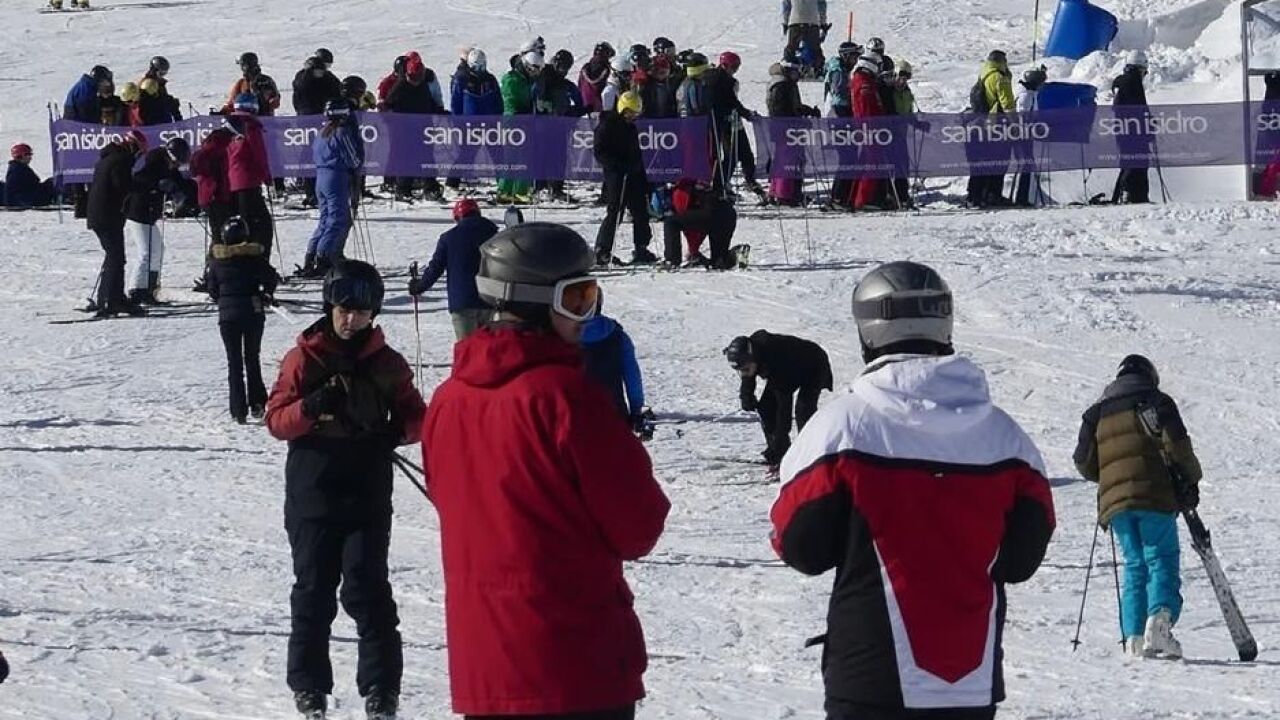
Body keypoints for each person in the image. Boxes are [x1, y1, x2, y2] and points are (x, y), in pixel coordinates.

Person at [770, 261, 1055, 720]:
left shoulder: (843, 427)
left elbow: (799, 546)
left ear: (868, 331)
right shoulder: (1007, 438)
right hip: (968, 682)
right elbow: (1022, 559)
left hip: (870, 677)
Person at [420, 221, 669, 720]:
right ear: (535, 303)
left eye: (590, 297)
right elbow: (638, 526)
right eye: (576, 299)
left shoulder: (447, 401)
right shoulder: (565, 398)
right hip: (575, 665)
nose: (586, 317)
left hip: (485, 669)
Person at [265, 259, 426, 720]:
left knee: (367, 589)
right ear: (330, 305)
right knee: (314, 590)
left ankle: (381, 689)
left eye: (360, 311)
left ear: (374, 313)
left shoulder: (387, 364)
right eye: (343, 308)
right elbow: (276, 421)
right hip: (313, 490)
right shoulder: (305, 358)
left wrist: (394, 432)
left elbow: (418, 416)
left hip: (367, 492)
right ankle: (310, 685)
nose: (350, 318)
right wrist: (312, 407)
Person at [1073, 354, 1201, 659]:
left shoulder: (1096, 414)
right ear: (1150, 376)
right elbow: (1178, 445)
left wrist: (1112, 480)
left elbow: (1082, 461)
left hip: (1116, 504)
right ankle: (1159, 624)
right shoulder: (1157, 401)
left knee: (1134, 565)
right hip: (1153, 495)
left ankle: (1132, 637)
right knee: (1161, 558)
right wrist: (1191, 479)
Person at [205, 216, 278, 423]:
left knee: (234, 362)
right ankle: (257, 403)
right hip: (253, 312)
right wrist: (266, 293)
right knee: (252, 358)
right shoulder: (254, 259)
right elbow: (271, 278)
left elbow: (212, 289)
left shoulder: (217, 262)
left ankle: (238, 410)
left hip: (228, 316)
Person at [724, 330, 832, 469]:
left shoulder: (775, 356)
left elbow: (783, 410)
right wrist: (746, 396)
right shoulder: (751, 355)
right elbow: (748, 376)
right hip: (789, 370)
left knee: (803, 411)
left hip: (813, 365)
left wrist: (781, 442)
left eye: (745, 369)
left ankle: (809, 456)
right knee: (765, 409)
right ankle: (779, 453)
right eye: (740, 370)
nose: (743, 373)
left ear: (752, 358)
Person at [407, 198, 499, 340]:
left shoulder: (449, 238)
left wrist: (419, 286)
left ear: (457, 217)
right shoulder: (495, 235)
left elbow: (436, 268)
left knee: (466, 351)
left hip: (462, 301)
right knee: (487, 351)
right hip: (490, 298)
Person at [86, 130, 148, 317]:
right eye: (139, 152)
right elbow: (121, 185)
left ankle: (111, 297)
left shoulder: (108, 158)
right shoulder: (121, 160)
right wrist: (142, 186)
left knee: (114, 257)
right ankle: (111, 301)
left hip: (100, 215)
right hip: (107, 216)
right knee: (116, 257)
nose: (138, 157)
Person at [593, 91, 658, 266]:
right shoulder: (607, 125)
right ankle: (602, 250)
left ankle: (641, 247)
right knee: (616, 211)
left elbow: (637, 154)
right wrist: (617, 166)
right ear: (622, 109)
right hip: (616, 175)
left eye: (635, 113)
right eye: (630, 112)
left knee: (640, 211)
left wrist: (644, 177)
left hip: (634, 174)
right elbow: (599, 151)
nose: (632, 116)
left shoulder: (631, 128)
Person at [301, 100, 364, 278]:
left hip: (321, 177)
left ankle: (312, 254)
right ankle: (324, 256)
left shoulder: (322, 132)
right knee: (338, 218)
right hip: (336, 176)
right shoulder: (341, 132)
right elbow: (352, 157)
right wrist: (357, 167)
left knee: (326, 218)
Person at [124, 137, 188, 305]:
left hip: (151, 214)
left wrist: (183, 194)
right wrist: (157, 185)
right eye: (176, 162)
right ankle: (136, 289)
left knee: (157, 250)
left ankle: (150, 288)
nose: (176, 166)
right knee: (146, 251)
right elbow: (137, 180)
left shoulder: (168, 165)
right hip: (138, 211)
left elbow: (178, 181)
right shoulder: (153, 162)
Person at [384, 52, 445, 202]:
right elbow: (388, 105)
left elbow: (428, 103)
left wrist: (440, 111)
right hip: (404, 131)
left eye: (417, 78)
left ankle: (430, 188)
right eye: (412, 78)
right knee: (407, 160)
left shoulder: (423, 85)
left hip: (424, 128)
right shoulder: (400, 86)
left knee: (428, 158)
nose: (415, 81)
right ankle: (403, 189)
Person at [581, 298, 648, 432]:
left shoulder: (562, 337)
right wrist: (637, 410)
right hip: (614, 413)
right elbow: (632, 376)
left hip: (574, 416)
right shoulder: (617, 335)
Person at [702, 52, 762, 196]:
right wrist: (746, 114)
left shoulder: (723, 78)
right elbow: (731, 102)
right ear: (724, 65)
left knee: (745, 153)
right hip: (722, 123)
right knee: (731, 156)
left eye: (737, 67)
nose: (734, 70)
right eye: (733, 67)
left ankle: (749, 180)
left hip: (732, 121)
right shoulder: (719, 79)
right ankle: (720, 185)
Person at [224, 94, 275, 260]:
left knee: (238, 226)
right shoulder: (251, 126)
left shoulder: (227, 125)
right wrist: (267, 177)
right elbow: (259, 154)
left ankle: (237, 262)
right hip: (248, 181)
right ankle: (260, 264)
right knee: (262, 226)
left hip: (230, 182)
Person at [965, 50, 1016, 207]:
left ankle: (977, 194)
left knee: (983, 162)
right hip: (997, 126)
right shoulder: (1000, 78)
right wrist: (1014, 124)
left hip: (982, 125)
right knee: (1000, 161)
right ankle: (993, 194)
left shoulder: (984, 74)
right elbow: (1007, 103)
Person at [293, 49, 343, 207]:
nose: (320, 73)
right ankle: (310, 191)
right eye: (318, 70)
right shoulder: (302, 77)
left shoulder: (328, 78)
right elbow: (300, 87)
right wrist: (309, 73)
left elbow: (338, 90)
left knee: (326, 156)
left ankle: (325, 191)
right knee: (309, 156)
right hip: (307, 123)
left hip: (325, 122)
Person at [767, 60, 819, 207]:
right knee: (787, 162)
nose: (798, 75)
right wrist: (798, 122)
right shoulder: (781, 86)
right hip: (785, 131)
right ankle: (784, 195)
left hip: (789, 129)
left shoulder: (788, 84)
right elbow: (781, 111)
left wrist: (808, 111)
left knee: (791, 161)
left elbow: (794, 106)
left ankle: (785, 192)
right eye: (796, 71)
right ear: (788, 71)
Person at [497, 50, 546, 204]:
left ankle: (520, 189)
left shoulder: (527, 79)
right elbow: (510, 100)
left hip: (526, 121)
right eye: (533, 69)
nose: (535, 73)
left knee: (525, 157)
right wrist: (521, 113)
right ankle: (507, 190)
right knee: (513, 158)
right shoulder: (511, 79)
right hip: (514, 122)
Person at [662, 178, 738, 269]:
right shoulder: (719, 170)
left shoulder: (683, 183)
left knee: (671, 222)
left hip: (709, 212)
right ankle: (723, 258)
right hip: (727, 213)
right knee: (718, 259)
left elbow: (682, 207)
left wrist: (693, 250)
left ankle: (672, 260)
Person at [1112, 51, 1152, 204]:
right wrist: (1147, 126)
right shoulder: (1134, 82)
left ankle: (1122, 195)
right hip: (1135, 132)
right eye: (1144, 72)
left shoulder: (1121, 83)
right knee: (1137, 163)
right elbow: (1139, 109)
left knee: (1128, 163)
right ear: (1140, 69)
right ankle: (1135, 196)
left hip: (1123, 131)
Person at [850, 52, 887, 210]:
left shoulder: (864, 80)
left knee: (869, 163)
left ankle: (862, 198)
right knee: (871, 164)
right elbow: (866, 110)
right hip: (869, 130)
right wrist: (874, 127)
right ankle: (863, 200)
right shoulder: (864, 83)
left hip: (870, 129)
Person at [191, 125, 236, 246]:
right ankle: (217, 262)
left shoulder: (210, 145)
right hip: (217, 195)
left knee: (218, 234)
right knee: (222, 235)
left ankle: (214, 262)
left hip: (210, 195)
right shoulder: (222, 147)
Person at [1013, 65, 1048, 207]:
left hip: (1026, 133)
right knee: (1026, 164)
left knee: (1028, 164)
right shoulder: (1026, 95)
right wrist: (1028, 127)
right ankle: (1021, 197)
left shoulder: (1032, 94)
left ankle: (1023, 196)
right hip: (1022, 134)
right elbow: (1022, 114)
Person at [3, 143, 56, 208]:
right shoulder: (17, 171)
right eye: (27, 154)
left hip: (26, 199)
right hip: (26, 201)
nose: (30, 157)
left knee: (52, 182)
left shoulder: (20, 168)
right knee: (52, 183)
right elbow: (15, 192)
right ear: (20, 156)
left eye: (30, 154)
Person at [139, 56, 183, 123]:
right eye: (161, 73)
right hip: (152, 119)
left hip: (162, 115)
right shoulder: (146, 84)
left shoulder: (159, 82)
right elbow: (148, 103)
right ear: (154, 70)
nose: (162, 75)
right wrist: (167, 102)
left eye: (164, 73)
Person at [578, 41, 615, 113]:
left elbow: (580, 85)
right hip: (599, 107)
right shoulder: (606, 69)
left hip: (584, 105)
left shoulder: (585, 67)